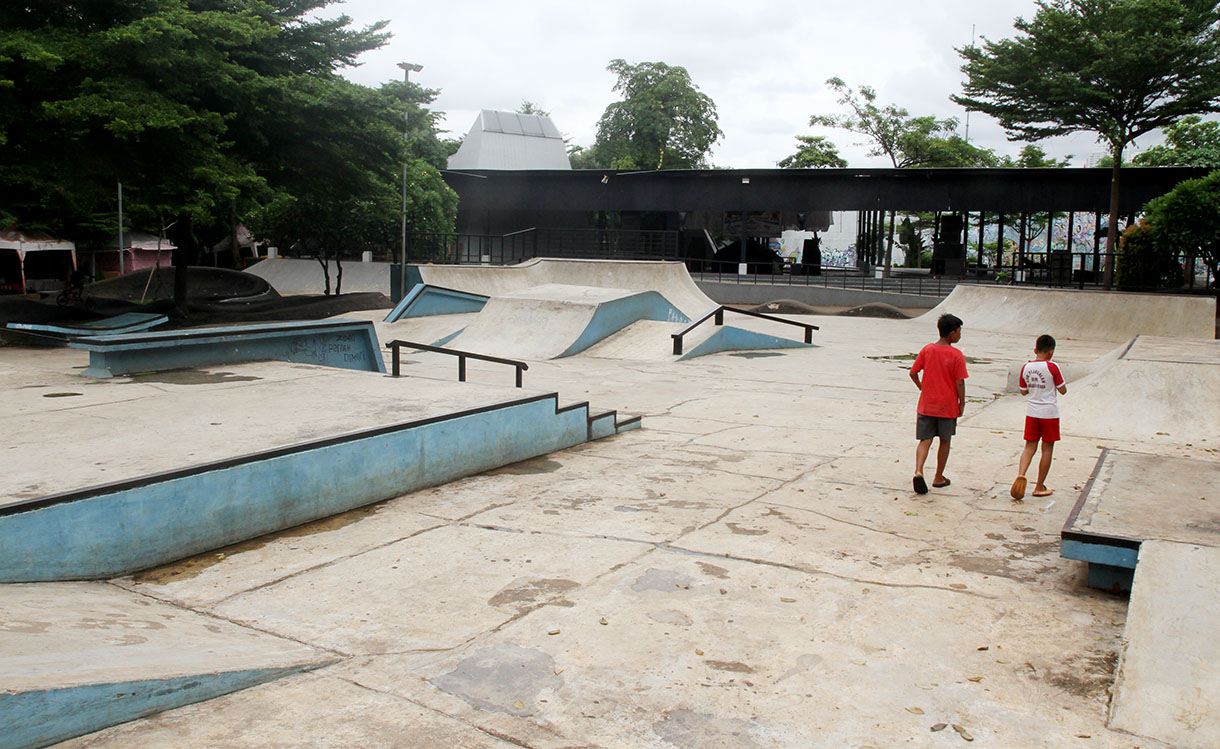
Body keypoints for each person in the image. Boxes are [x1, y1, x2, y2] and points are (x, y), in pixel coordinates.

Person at [909, 314, 968, 494]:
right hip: (947, 406)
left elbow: (913, 372)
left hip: (927, 404)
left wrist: (922, 388)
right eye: (959, 332)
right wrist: (962, 402)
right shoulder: (956, 355)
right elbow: (960, 382)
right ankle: (938, 476)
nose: (960, 335)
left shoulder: (927, 350)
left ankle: (919, 471)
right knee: (945, 440)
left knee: (925, 439)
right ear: (951, 333)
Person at [1011, 334, 1067, 500]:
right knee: (1047, 448)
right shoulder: (1052, 367)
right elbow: (1063, 390)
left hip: (1032, 411)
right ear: (1051, 352)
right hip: (1049, 413)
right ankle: (1039, 486)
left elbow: (1023, 391)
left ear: (1035, 350)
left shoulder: (1026, 367)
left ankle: (1021, 475)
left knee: (1029, 447)